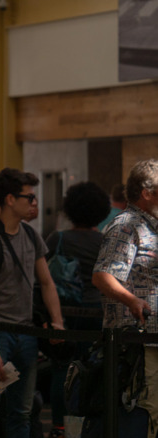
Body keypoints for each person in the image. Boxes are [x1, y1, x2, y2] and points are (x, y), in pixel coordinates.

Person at [0, 168, 64, 438]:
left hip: (26, 335)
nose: (34, 203)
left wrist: (57, 323)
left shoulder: (31, 235)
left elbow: (46, 282)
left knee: (21, 412)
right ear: (10, 199)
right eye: (29, 197)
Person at [92, 159, 158, 435]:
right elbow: (103, 276)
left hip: (152, 342)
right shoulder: (127, 225)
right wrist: (133, 301)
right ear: (147, 192)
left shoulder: (151, 226)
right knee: (146, 413)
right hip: (139, 345)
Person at [43, 181, 110, 438]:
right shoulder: (104, 241)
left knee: (63, 369)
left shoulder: (57, 238)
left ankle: (62, 427)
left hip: (65, 310)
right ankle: (90, 427)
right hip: (97, 311)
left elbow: (44, 276)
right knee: (95, 369)